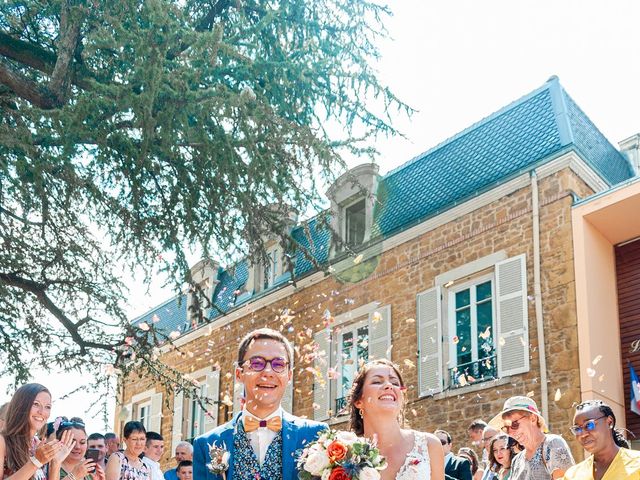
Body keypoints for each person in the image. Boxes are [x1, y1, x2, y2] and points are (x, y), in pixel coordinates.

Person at [193, 328, 326, 479]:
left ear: (289, 375)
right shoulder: (206, 444)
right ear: (239, 374)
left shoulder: (316, 435)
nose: (268, 372)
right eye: (256, 363)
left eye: (279, 364)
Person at [350, 359, 445, 480]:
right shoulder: (344, 455)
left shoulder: (429, 445)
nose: (389, 385)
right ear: (358, 401)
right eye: (377, 381)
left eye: (395, 383)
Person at [0, 383, 74, 480]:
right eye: (36, 404)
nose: (42, 412)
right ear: (21, 405)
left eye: (47, 407)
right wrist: (36, 462)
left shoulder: (40, 445)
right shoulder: (3, 442)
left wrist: (56, 463)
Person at [489, 396, 574, 479]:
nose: (510, 432)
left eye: (514, 424)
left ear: (533, 418)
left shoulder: (552, 444)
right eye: (506, 428)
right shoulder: (517, 460)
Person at [561, 399, 640, 479]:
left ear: (609, 422)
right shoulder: (573, 475)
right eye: (577, 429)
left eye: (589, 425)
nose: (583, 435)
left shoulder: (637, 463)